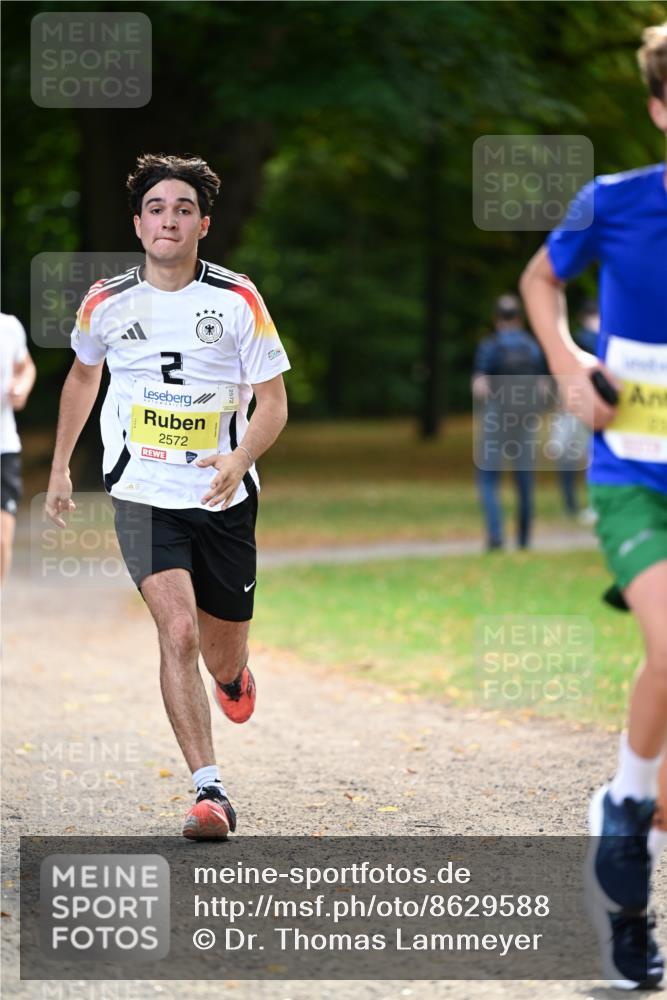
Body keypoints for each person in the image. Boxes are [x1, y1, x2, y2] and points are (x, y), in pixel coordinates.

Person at [45, 153, 290, 840]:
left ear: (203, 224)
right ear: (138, 222)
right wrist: (62, 466)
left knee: (219, 652)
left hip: (223, 498)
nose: (169, 219)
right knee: (176, 631)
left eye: (183, 208)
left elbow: (273, 403)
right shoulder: (106, 300)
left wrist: (238, 459)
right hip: (143, 493)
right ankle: (209, 793)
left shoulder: (237, 299)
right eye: (157, 208)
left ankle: (235, 676)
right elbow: (81, 380)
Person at [520, 22, 667, 989]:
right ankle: (628, 809)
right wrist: (568, 361)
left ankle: (626, 809)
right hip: (633, 475)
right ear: (658, 108)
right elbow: (539, 278)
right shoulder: (613, 203)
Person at [472, 293, 549, 551]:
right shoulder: (532, 346)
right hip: (525, 418)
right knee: (524, 479)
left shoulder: (490, 346)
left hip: (497, 415)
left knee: (487, 478)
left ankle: (496, 536)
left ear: (496, 319)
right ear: (519, 318)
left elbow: (480, 387)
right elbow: (543, 387)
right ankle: (525, 539)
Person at [552, 299, 600, 519]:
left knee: (573, 457)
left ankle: (572, 503)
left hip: (579, 406)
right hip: (598, 407)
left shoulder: (579, 340)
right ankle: (592, 504)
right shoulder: (605, 340)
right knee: (592, 456)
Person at [0, 313, 36, 583]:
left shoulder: (9, 326)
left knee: (1, 540)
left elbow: (26, 366)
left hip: (4, 448)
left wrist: (22, 386)